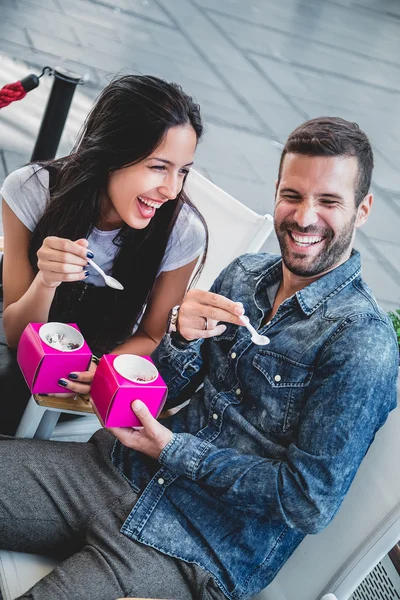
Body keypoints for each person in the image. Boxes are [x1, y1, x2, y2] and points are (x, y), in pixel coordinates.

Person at [0, 117, 398, 600]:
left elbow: (307, 500)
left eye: (329, 201)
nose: (305, 217)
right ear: (276, 193)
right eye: (292, 195)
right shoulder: (246, 276)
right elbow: (163, 389)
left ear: (363, 210)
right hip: (114, 470)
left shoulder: (362, 344)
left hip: (195, 551)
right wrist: (180, 338)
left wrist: (173, 450)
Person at [0, 74, 207, 434]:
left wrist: (107, 367)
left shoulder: (183, 231)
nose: (171, 190)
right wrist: (46, 281)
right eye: (158, 167)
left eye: (183, 172)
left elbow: (153, 334)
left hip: (99, 366)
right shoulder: (31, 191)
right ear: (112, 154)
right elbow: (17, 335)